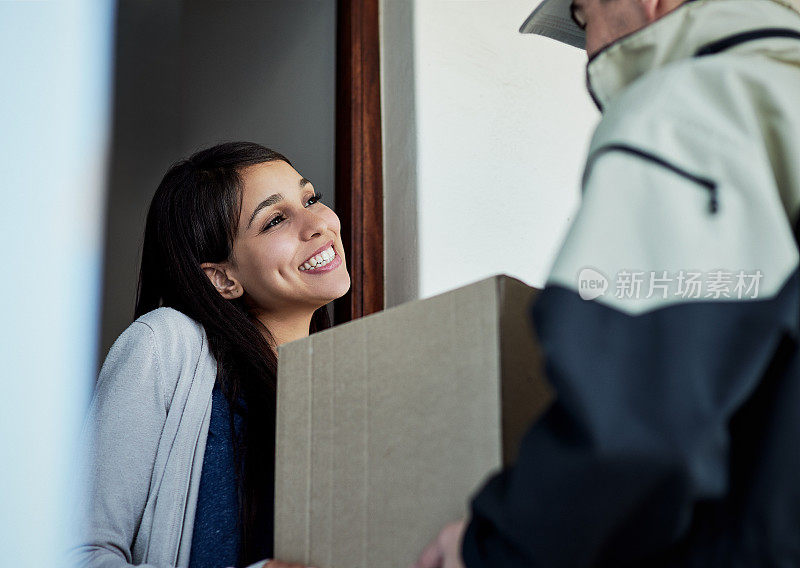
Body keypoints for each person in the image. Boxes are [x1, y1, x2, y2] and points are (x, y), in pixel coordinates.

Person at [415, 0, 800, 565]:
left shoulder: (688, 108)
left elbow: (635, 430)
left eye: (582, 15)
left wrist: (489, 550)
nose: (589, 50)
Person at [73, 142, 349, 568]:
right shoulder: (163, 344)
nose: (318, 224)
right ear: (222, 278)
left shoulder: (344, 380)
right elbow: (78, 553)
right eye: (275, 219)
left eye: (310, 198)